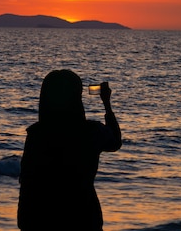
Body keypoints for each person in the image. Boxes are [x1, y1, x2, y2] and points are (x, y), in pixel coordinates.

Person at [17, 69, 122, 231]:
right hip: (84, 218)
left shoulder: (36, 134)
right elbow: (115, 142)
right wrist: (107, 104)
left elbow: (27, 182)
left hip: (42, 219)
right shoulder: (91, 132)